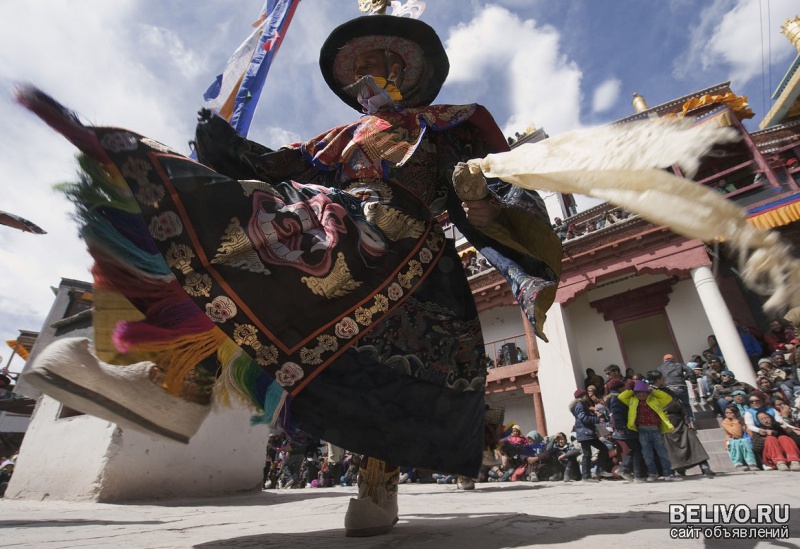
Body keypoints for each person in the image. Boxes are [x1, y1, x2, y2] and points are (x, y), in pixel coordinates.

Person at [20, 15, 562, 537]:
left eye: (380, 62)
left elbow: (499, 207)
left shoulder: (451, 129)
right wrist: (227, 148)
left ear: (405, 71)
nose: (366, 74)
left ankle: (379, 480)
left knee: (389, 377)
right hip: (333, 219)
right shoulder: (341, 137)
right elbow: (276, 166)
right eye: (361, 67)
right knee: (239, 241)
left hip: (415, 254)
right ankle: (178, 379)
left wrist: (477, 195)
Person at [647, 370, 715, 479]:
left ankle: (704, 466)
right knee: (671, 449)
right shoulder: (649, 392)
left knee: (692, 442)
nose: (664, 379)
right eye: (662, 377)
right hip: (665, 422)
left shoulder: (667, 390)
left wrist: (686, 419)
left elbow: (679, 404)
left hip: (679, 420)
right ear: (658, 378)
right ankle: (679, 469)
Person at [617, 380, 683, 482]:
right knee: (647, 454)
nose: (641, 395)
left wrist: (653, 390)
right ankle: (653, 473)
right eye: (639, 393)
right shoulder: (632, 401)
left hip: (655, 430)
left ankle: (668, 474)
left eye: (644, 392)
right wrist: (631, 390)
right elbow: (621, 397)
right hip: (642, 430)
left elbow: (667, 398)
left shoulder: (654, 399)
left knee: (662, 453)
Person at [569, 389, 612, 482]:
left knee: (592, 452)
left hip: (585, 432)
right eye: (585, 395)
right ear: (582, 396)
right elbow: (583, 418)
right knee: (590, 453)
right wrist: (596, 419)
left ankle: (595, 472)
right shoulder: (580, 405)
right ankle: (588, 475)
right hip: (585, 432)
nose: (587, 396)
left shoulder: (579, 405)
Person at [658, 354, 695, 424]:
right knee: (686, 405)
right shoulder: (679, 365)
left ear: (664, 360)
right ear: (673, 359)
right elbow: (690, 371)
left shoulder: (660, 367)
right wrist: (693, 382)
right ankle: (691, 422)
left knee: (672, 407)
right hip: (681, 386)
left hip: (668, 388)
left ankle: (679, 423)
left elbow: (657, 377)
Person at [720, 405, 758, 472]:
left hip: (745, 438)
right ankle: (738, 464)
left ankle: (751, 463)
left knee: (745, 441)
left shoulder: (742, 419)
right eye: (727, 413)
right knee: (736, 443)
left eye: (731, 412)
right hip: (733, 439)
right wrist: (735, 421)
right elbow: (736, 434)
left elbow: (747, 429)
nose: (728, 414)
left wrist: (752, 437)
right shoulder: (725, 422)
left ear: (736, 413)